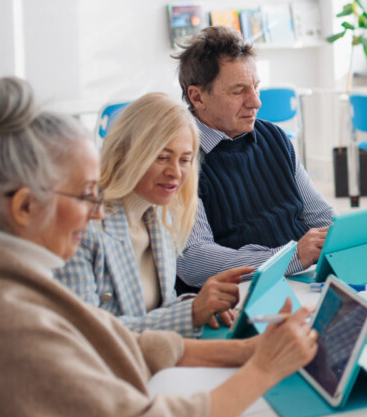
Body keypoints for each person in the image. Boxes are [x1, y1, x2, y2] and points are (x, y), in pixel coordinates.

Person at [0, 77, 319, 417]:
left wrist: (245, 351)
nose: (95, 214)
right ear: (25, 207)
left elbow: (104, 340)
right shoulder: (8, 319)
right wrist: (265, 368)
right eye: (87, 195)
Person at [55, 93, 250, 336]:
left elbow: (156, 310)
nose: (175, 173)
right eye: (162, 157)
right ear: (128, 153)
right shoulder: (82, 228)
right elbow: (88, 336)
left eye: (185, 159)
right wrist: (189, 314)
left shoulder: (160, 217)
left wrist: (197, 305)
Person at [173, 27, 334, 288]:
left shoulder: (274, 137)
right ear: (197, 96)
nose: (256, 102)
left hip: (299, 281)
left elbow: (322, 218)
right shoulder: (180, 157)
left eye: (256, 87)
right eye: (238, 91)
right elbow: (194, 260)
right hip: (240, 295)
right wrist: (288, 258)